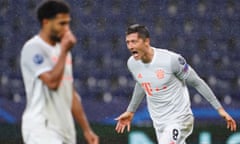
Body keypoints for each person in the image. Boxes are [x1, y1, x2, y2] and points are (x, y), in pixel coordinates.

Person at [115, 24, 237, 144]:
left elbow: (197, 82)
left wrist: (219, 109)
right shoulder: (132, 63)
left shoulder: (171, 60)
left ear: (146, 41)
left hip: (180, 119)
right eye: (128, 42)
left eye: (134, 42)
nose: (130, 46)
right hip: (159, 123)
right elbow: (141, 83)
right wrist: (131, 111)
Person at [20, 0, 99, 144]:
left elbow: (70, 92)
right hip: (42, 126)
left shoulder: (62, 50)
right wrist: (64, 50)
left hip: (65, 128)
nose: (66, 29)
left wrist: (86, 129)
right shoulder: (33, 48)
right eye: (61, 24)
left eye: (68, 23)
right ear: (46, 22)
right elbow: (52, 82)